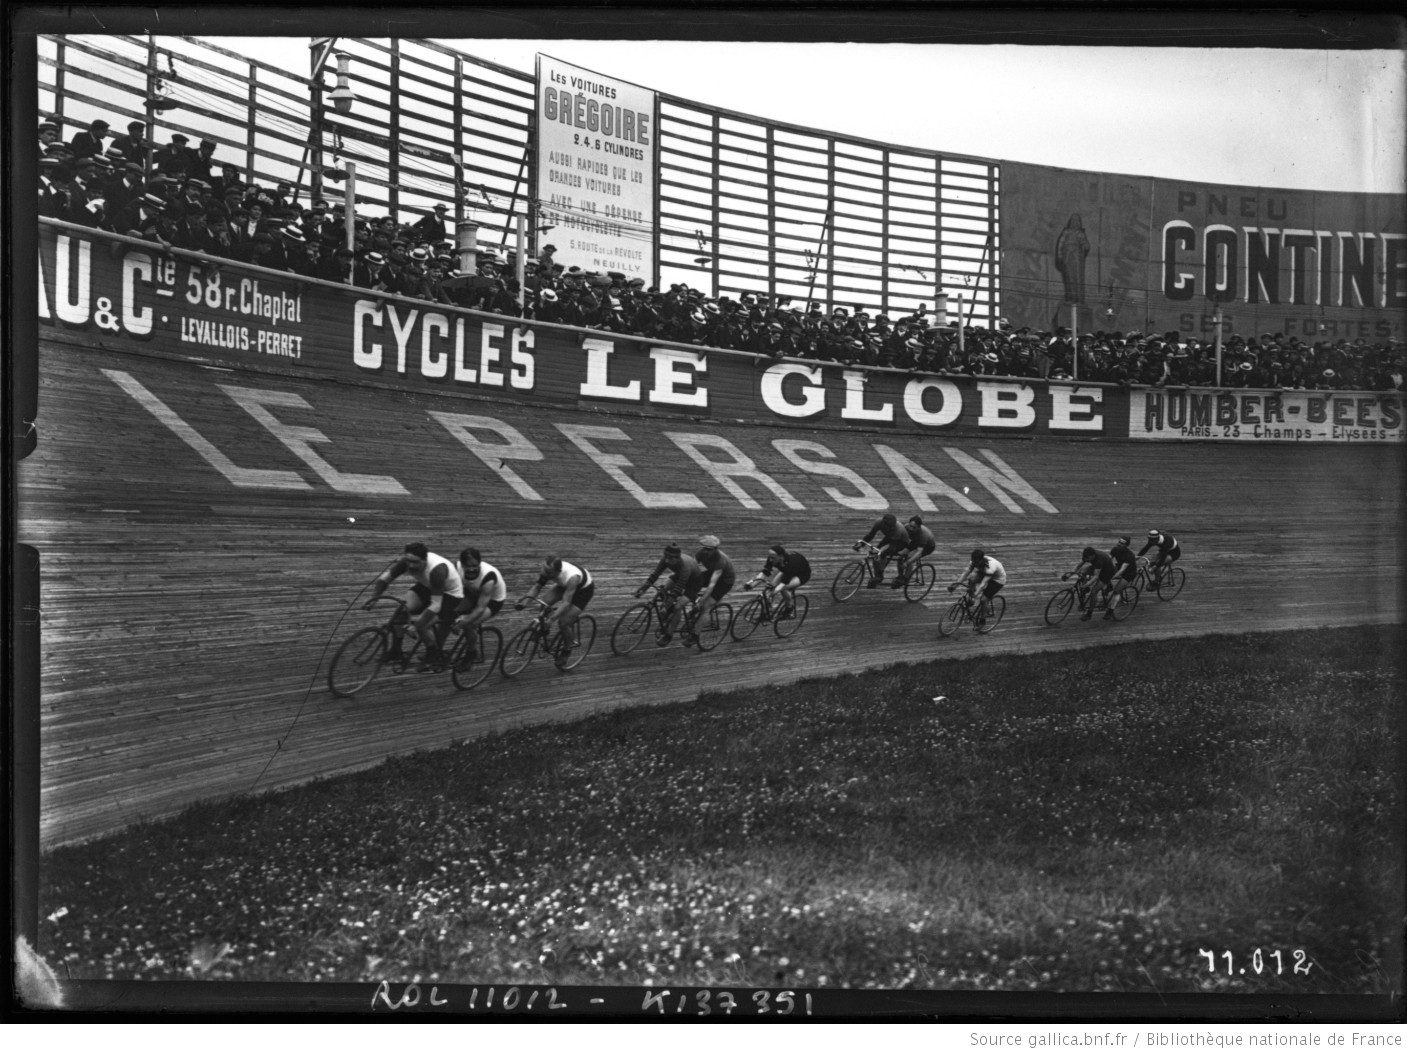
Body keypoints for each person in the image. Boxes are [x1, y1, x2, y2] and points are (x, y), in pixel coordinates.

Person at [367, 542, 466, 669]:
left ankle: (433, 653)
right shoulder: (406, 562)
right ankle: (396, 651)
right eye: (409, 561)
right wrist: (374, 598)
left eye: (415, 562)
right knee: (401, 612)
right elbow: (384, 579)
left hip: (450, 595)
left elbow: (435, 605)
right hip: (427, 586)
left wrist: (417, 625)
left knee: (422, 624)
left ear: (425, 560)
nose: (411, 566)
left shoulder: (437, 571)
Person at [519, 555, 595, 654]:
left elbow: (566, 603)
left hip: (583, 592)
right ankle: (544, 630)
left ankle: (567, 650)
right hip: (564, 586)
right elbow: (537, 587)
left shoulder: (572, 577)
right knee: (543, 603)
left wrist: (551, 619)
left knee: (563, 622)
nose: (545, 574)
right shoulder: (548, 570)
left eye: (549, 572)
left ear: (558, 571)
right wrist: (524, 603)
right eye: (544, 570)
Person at [635, 543, 705, 645]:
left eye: (670, 559)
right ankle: (668, 613)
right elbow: (655, 574)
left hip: (694, 582)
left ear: (677, 558)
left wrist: (666, 604)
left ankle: (668, 635)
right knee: (662, 590)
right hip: (679, 575)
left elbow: (678, 589)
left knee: (678, 606)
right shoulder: (666, 558)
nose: (667, 561)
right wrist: (643, 588)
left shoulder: (685, 566)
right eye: (666, 558)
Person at [453, 547, 508, 662]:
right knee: (450, 612)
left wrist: (462, 623)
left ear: (480, 563)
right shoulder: (456, 567)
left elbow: (480, 608)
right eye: (468, 566)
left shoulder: (488, 577)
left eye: (475, 566)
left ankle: (472, 653)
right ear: (462, 565)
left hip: (493, 600)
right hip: (472, 592)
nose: (472, 569)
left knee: (469, 624)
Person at [692, 535, 736, 639]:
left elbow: (712, 585)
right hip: (711, 573)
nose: (706, 552)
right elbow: (692, 569)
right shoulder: (700, 552)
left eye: (709, 550)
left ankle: (695, 636)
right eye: (704, 548)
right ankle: (694, 611)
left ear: (715, 549)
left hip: (725, 581)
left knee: (706, 606)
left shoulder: (721, 560)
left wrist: (701, 601)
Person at [746, 544, 811, 615]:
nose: (770, 560)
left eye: (773, 558)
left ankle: (789, 608)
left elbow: (783, 584)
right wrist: (752, 585)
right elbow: (764, 573)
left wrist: (771, 594)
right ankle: (767, 613)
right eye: (770, 557)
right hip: (786, 570)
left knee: (783, 588)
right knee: (771, 586)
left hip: (802, 574)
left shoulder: (790, 564)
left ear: (781, 557)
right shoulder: (773, 557)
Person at [947, 548, 1006, 624]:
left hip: (997, 580)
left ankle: (982, 619)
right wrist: (955, 586)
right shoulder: (974, 562)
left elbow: (983, 584)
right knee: (972, 579)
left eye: (976, 562)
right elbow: (965, 574)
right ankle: (971, 600)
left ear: (981, 560)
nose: (975, 563)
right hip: (984, 572)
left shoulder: (990, 566)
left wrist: (976, 594)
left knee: (983, 600)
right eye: (973, 561)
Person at [1062, 545, 1117, 620]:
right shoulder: (1087, 556)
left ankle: (1089, 614)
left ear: (1092, 556)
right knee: (1083, 571)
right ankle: (1086, 589)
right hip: (1098, 567)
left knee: (1094, 592)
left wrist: (1088, 583)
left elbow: (1096, 576)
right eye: (1085, 558)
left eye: (1088, 558)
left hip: (1107, 573)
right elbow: (1078, 566)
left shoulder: (1098, 560)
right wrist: (1069, 575)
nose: (1086, 559)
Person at [855, 512, 910, 587]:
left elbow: (891, 548)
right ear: (883, 524)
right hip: (890, 537)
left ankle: (880, 575)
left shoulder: (898, 529)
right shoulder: (878, 522)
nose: (891, 528)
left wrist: (880, 554)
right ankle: (878, 576)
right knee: (876, 553)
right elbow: (870, 535)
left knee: (882, 554)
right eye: (890, 527)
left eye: (892, 526)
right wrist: (861, 544)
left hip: (901, 542)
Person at [891, 515, 936, 589]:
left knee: (910, 558)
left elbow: (919, 552)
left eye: (914, 527)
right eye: (910, 526)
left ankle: (906, 579)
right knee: (900, 555)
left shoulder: (923, 534)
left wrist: (907, 563)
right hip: (915, 541)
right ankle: (901, 576)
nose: (911, 529)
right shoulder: (906, 527)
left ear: (919, 527)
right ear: (908, 524)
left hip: (928, 546)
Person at [1107, 535, 1139, 617]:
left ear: (1126, 546)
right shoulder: (1115, 549)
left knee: (1116, 591)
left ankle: (1110, 610)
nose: (1119, 544)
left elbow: (1122, 570)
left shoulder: (1129, 555)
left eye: (1122, 543)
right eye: (1119, 542)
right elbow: (1108, 561)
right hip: (1119, 567)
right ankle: (1108, 587)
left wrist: (1112, 577)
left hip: (1129, 573)